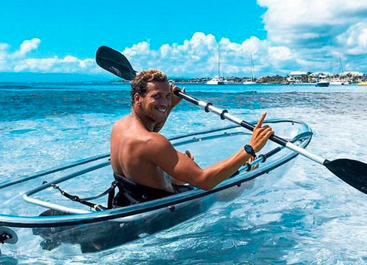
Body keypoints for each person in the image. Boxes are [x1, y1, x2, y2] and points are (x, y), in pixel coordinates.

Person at [108, 69, 273, 207]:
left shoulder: (120, 127)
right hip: (163, 210)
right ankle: (248, 175)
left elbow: (148, 132)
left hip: (130, 200)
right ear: (138, 98)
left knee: (188, 176)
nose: (165, 102)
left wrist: (170, 106)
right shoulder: (152, 142)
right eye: (157, 96)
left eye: (167, 96)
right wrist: (250, 148)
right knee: (233, 188)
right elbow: (205, 181)